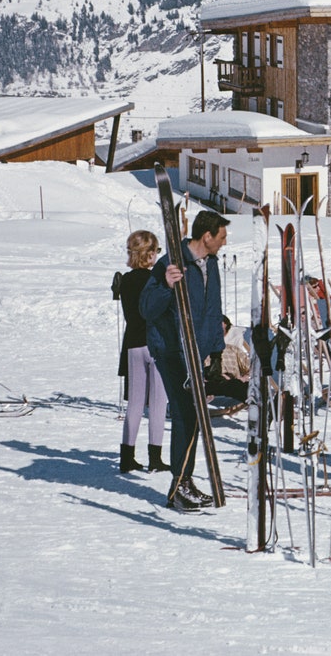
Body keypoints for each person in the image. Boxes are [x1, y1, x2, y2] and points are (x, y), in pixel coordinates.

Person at [139, 210, 229, 512]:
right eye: (221, 237)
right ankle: (178, 487)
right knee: (186, 414)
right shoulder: (170, 263)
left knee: (194, 416)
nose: (224, 243)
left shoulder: (211, 265)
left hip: (196, 353)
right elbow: (147, 308)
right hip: (171, 351)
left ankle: (184, 482)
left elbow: (213, 310)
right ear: (207, 236)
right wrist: (165, 285)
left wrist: (216, 352)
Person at [116, 230, 168, 474]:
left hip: (133, 344)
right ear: (148, 255)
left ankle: (127, 456)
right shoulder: (153, 280)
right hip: (156, 342)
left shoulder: (126, 280)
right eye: (155, 251)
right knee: (158, 403)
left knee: (135, 403)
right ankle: (155, 457)